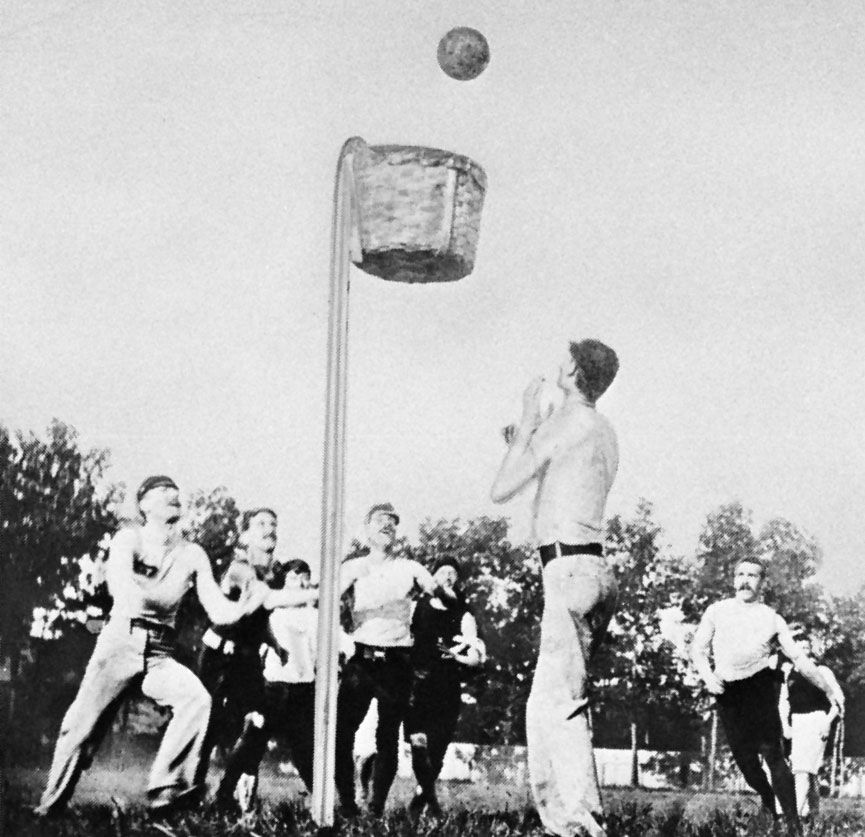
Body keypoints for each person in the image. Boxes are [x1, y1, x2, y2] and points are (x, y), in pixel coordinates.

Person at [36, 475, 267, 816]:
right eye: (161, 492)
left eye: (176, 491)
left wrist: (244, 607)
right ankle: (49, 807)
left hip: (159, 652)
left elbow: (217, 609)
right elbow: (120, 586)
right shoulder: (129, 539)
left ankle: (165, 790)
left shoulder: (193, 554)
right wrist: (145, 597)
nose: (172, 494)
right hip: (120, 642)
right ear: (143, 504)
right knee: (81, 727)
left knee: (197, 699)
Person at [490, 339, 620, 837]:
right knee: (549, 703)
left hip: (567, 570)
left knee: (560, 703)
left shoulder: (566, 423)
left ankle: (582, 825)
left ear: (571, 369)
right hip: (590, 571)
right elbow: (559, 480)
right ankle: (562, 820)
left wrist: (527, 419)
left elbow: (502, 489)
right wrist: (524, 441)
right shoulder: (601, 428)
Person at [692, 558, 842, 836]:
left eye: (753, 575)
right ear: (733, 579)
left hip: (760, 688)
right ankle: (767, 800)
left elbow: (799, 658)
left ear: (763, 582)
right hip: (727, 692)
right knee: (746, 762)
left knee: (774, 755)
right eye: (740, 574)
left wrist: (829, 689)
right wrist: (707, 675)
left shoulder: (771, 617)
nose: (745, 580)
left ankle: (794, 825)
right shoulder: (717, 611)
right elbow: (698, 649)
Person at [195, 508, 317, 812]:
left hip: (249, 662)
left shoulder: (276, 572)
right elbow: (261, 599)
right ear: (244, 535)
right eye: (261, 524)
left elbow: (262, 620)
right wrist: (317, 593)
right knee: (208, 728)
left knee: (255, 726)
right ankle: (189, 796)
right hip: (219, 657)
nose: (270, 529)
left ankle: (235, 797)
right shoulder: (240, 568)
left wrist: (275, 645)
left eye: (273, 524)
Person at [334, 502, 436, 818]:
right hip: (362, 657)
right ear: (366, 529)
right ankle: (348, 803)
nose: (387, 525)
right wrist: (341, 643)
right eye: (380, 520)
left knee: (388, 734)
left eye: (393, 521)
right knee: (342, 731)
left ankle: (375, 808)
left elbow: (438, 594)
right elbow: (327, 605)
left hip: (396, 661)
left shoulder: (410, 567)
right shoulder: (352, 567)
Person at [405, 556, 485, 823]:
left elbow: (475, 655)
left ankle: (420, 801)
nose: (449, 577)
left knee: (437, 750)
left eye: (454, 573)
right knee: (419, 743)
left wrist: (457, 657)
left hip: (447, 686)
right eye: (443, 572)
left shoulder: (463, 615)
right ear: (433, 577)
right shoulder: (416, 607)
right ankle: (433, 805)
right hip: (418, 683)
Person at [261, 558, 319, 795]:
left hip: (303, 688)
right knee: (254, 739)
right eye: (293, 577)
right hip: (275, 685)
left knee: (304, 748)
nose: (298, 583)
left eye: (304, 577)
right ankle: (230, 794)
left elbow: (336, 644)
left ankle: (318, 798)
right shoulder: (274, 615)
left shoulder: (316, 616)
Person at [779, 628, 845, 818]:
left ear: (810, 651)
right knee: (809, 772)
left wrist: (827, 723)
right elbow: (783, 702)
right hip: (797, 723)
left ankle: (792, 818)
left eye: (806, 648)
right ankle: (812, 814)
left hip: (817, 721)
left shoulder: (822, 671)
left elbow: (838, 701)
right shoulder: (788, 674)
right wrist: (786, 726)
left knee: (802, 770)